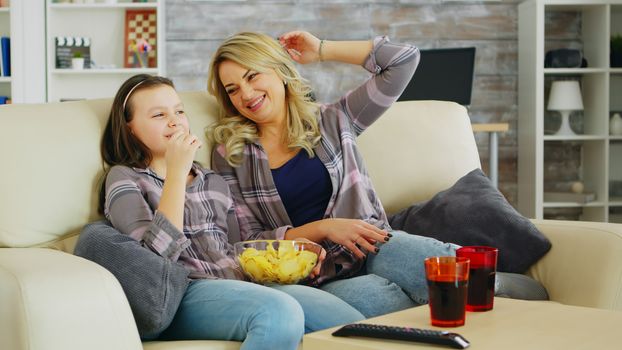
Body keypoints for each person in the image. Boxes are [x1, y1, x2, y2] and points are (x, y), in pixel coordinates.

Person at [98, 73, 364, 349]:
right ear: (129, 127)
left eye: (179, 111)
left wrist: (289, 252)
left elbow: (235, 248)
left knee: (353, 325)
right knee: (277, 313)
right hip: (181, 294)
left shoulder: (212, 181)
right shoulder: (125, 178)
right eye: (158, 115)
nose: (175, 121)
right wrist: (176, 173)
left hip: (238, 283)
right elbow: (153, 263)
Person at [207, 31, 459, 318]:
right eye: (233, 89)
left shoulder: (335, 119)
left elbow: (403, 59)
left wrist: (323, 49)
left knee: (452, 270)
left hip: (372, 244)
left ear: (280, 71)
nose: (246, 94)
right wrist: (325, 228)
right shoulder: (232, 155)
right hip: (319, 277)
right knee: (386, 305)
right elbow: (249, 242)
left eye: (253, 76)